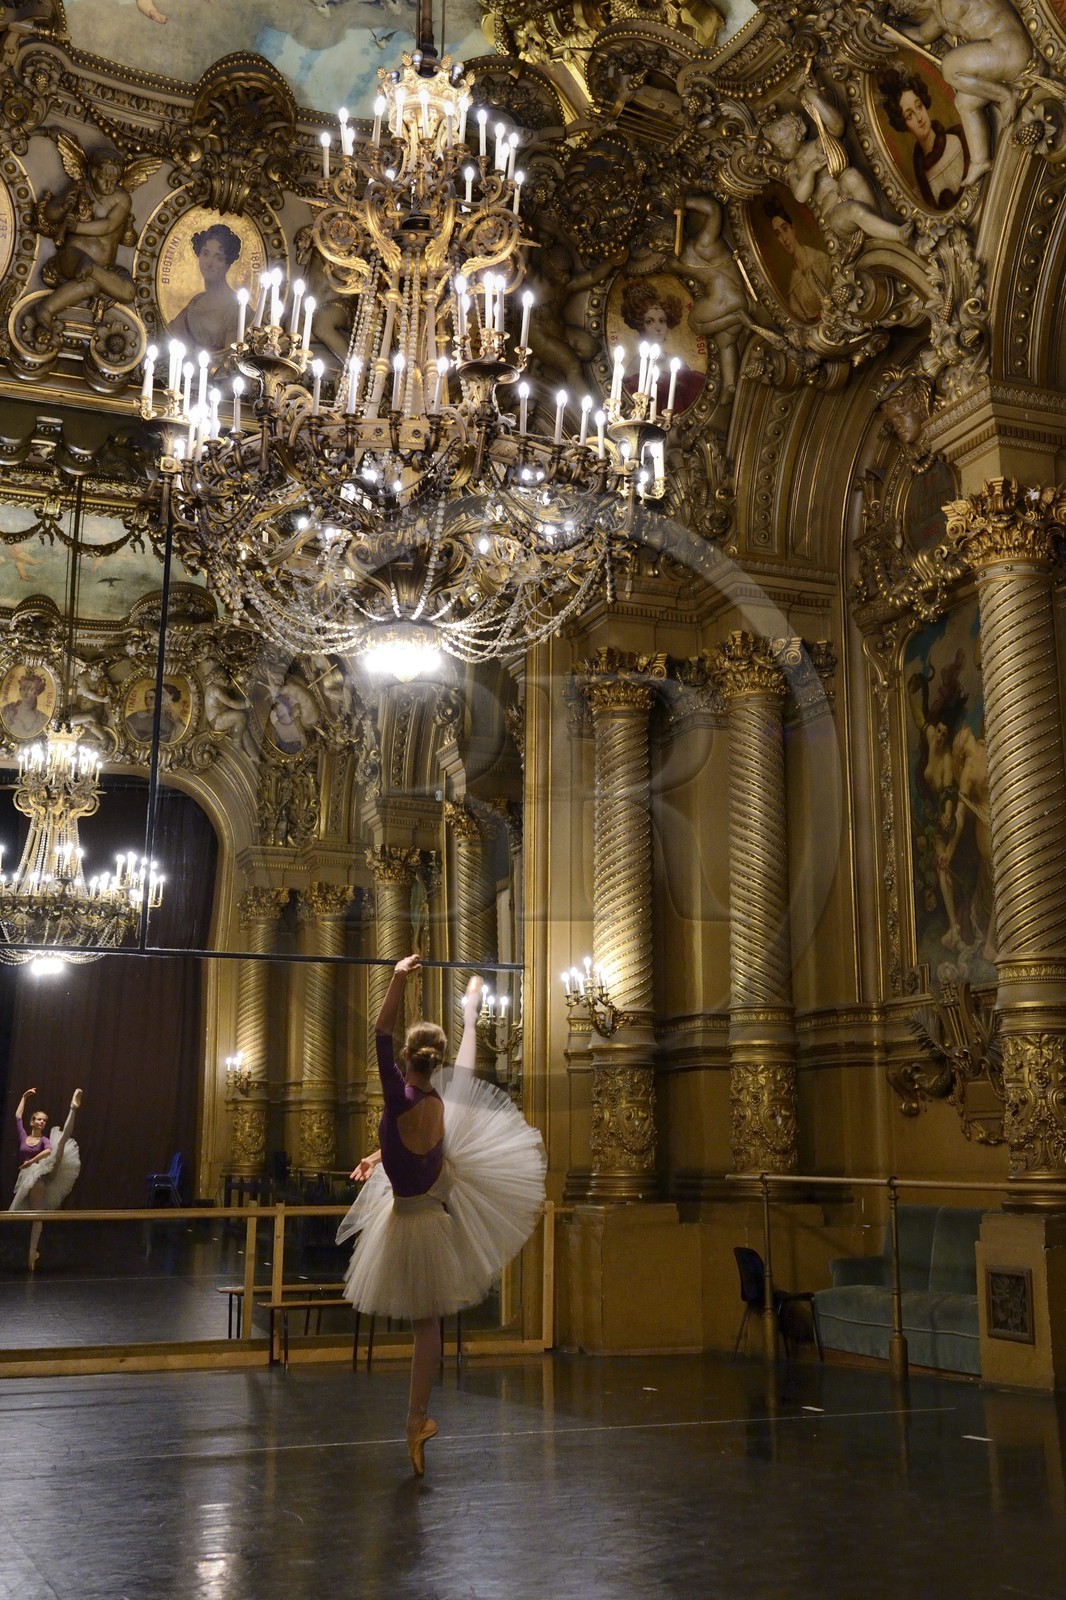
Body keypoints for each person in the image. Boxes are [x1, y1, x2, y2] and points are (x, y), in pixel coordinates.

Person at [338, 954, 546, 1476]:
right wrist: (471, 1017)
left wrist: (399, 977)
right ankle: (417, 1418)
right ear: (437, 1062)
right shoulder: (442, 1103)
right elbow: (464, 1073)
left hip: (407, 1222)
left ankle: (416, 1420)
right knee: (427, 1330)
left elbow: (381, 1031)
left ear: (408, 1057)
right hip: (431, 1218)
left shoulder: (400, 1095)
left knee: (422, 1327)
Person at [10, 1086, 83, 1269]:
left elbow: (48, 1151)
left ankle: (73, 1109)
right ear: (32, 1122)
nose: (42, 1122)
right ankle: (32, 1252)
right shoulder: (24, 1137)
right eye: (39, 1120)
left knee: (61, 1142)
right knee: (37, 1215)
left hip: (45, 1169)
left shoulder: (44, 1140)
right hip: (30, 1178)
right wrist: (24, 1097)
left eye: (44, 1120)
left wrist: (30, 1162)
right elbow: (18, 1117)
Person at [878, 70, 970, 210]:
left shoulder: (959, 141)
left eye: (919, 106)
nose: (920, 118)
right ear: (904, 125)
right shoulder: (920, 184)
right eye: (910, 116)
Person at [619, 278, 704, 414]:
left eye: (662, 321)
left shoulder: (676, 363)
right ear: (640, 325)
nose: (658, 327)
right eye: (650, 321)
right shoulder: (635, 366)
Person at [168, 223, 243, 352]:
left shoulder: (236, 309)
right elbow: (171, 333)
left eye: (218, 258)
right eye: (205, 253)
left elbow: (230, 359)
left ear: (228, 264)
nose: (209, 263)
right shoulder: (196, 301)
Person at [761, 198, 832, 324]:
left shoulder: (821, 259)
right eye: (777, 234)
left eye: (785, 229)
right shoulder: (793, 289)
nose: (784, 238)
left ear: (793, 228)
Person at [1, 669, 49, 738]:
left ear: (37, 693)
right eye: (23, 688)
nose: (26, 693)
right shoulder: (7, 710)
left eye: (30, 689)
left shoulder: (42, 718)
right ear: (20, 691)